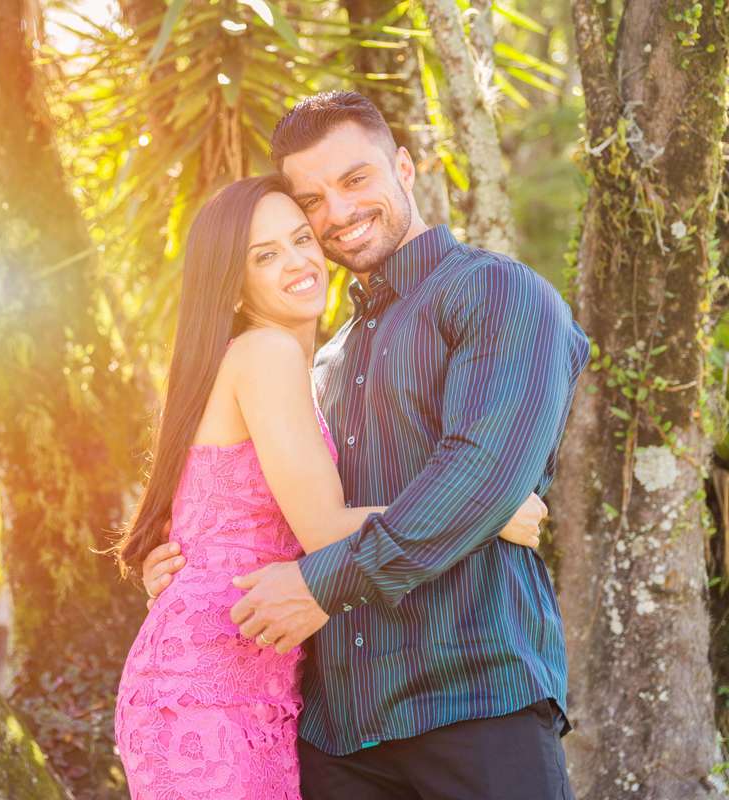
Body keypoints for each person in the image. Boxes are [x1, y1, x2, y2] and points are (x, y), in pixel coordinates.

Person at [141, 91, 589, 799]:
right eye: (312, 200)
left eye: (355, 179)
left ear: (404, 168)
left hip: (473, 702)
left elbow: (481, 471)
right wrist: (186, 569)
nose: (339, 212)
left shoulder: (497, 293)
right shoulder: (324, 360)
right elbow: (274, 509)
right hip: (336, 737)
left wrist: (328, 580)